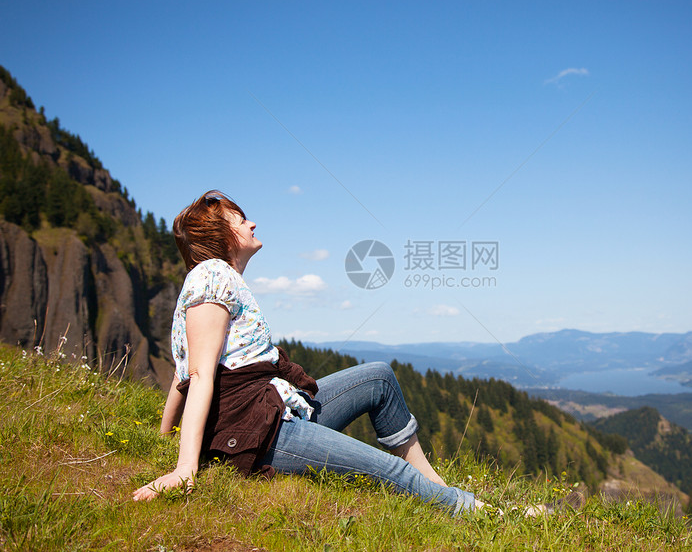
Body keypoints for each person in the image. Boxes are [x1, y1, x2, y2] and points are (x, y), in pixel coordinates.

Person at [132, 190, 480, 515]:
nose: (251, 223)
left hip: (274, 410)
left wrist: (161, 440)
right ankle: (478, 512)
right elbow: (198, 376)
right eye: (239, 220)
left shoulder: (218, 279)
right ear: (219, 236)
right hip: (257, 434)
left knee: (379, 377)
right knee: (389, 469)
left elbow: (181, 380)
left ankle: (435, 485)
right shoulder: (211, 275)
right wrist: (184, 468)